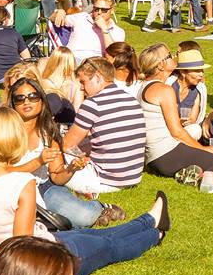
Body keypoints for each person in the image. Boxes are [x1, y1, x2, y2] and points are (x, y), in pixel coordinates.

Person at [0, 107, 166, 275]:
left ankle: (149, 219)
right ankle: (156, 233)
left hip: (19, 260)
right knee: (108, 246)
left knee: (93, 235)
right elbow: (22, 247)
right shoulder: (20, 182)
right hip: (44, 265)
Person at [136, 43, 213, 181]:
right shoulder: (164, 90)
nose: (175, 57)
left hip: (153, 156)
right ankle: (188, 176)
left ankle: (187, 171)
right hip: (166, 153)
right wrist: (203, 149)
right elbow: (177, 133)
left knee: (212, 157)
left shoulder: (145, 86)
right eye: (169, 56)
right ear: (160, 65)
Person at [59, 52, 148, 196]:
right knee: (84, 144)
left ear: (98, 77)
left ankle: (88, 190)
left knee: (53, 157)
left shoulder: (92, 103)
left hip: (105, 181)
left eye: (83, 82)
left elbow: (66, 145)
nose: (81, 88)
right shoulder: (131, 99)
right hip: (133, 178)